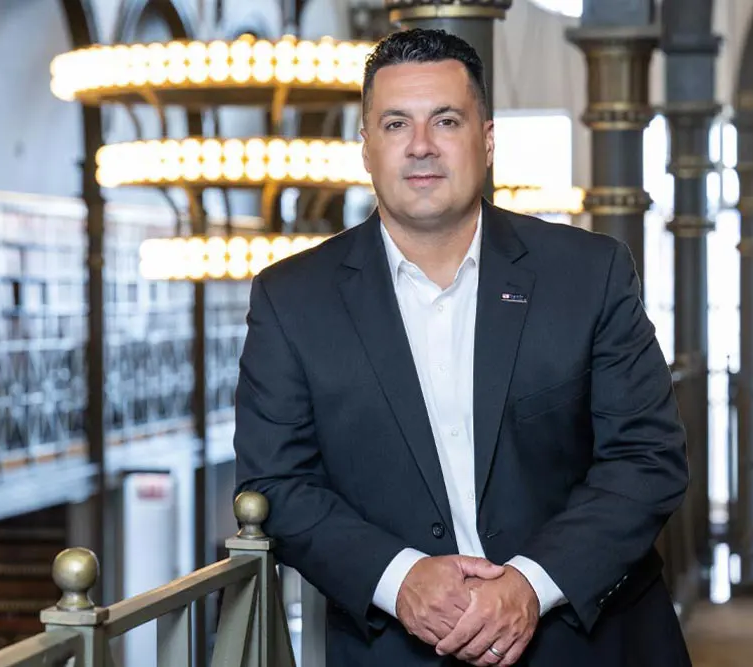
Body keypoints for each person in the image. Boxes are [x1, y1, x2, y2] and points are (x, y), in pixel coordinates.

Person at [233, 27, 691, 667]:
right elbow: (276, 483)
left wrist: (532, 582)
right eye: (395, 125)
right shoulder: (291, 300)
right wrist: (401, 580)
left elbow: (647, 458)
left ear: (488, 139)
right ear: (366, 148)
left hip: (587, 642)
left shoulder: (590, 274)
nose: (421, 146)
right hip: (398, 647)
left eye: (445, 120)